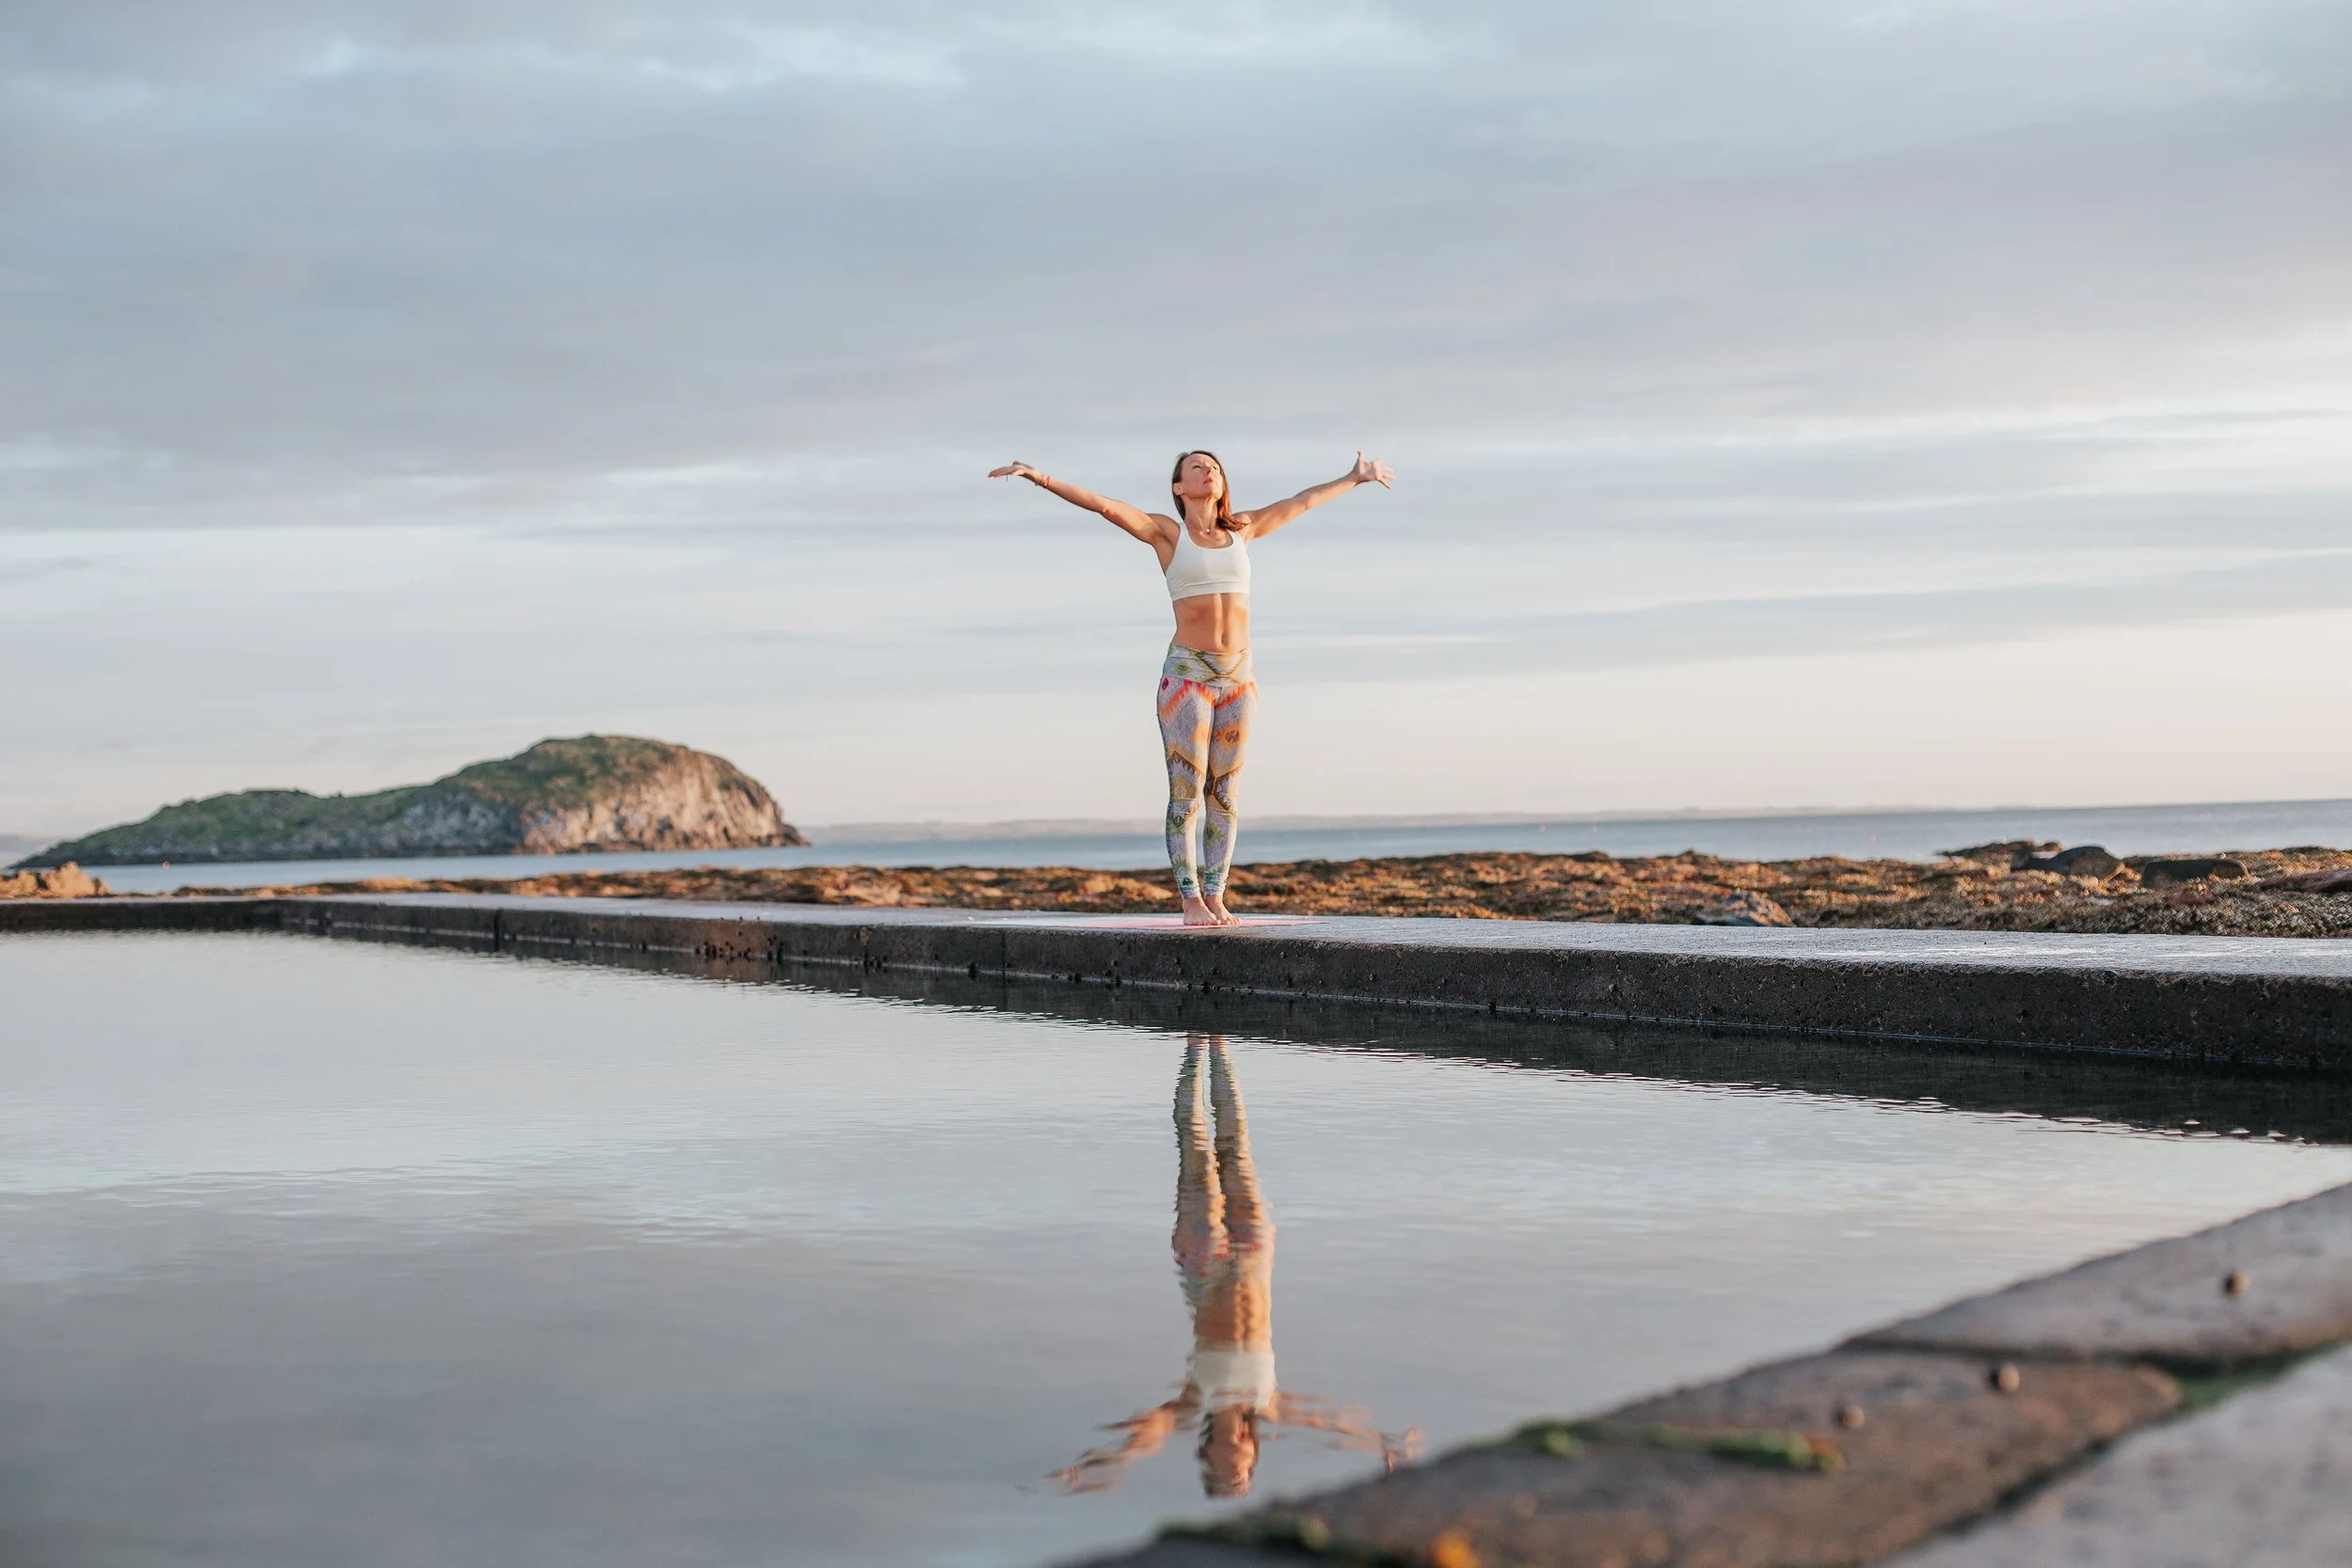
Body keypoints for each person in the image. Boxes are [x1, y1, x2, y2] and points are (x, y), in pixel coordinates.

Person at [989, 451, 1393, 926]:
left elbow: (1301, 502)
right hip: (1188, 676)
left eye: (1216, 467)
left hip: (1239, 677)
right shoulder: (1168, 533)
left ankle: (1217, 894)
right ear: (1179, 487)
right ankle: (1190, 900)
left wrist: (1354, 478)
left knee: (1226, 793)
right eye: (1198, 467)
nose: (1210, 471)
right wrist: (1041, 477)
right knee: (1187, 794)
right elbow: (1103, 505)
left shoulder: (1243, 528)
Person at [1046, 1034, 1418, 1499]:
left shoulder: (1193, 1403)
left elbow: (1144, 1434)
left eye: (1227, 1450)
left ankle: (1194, 1051)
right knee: (1237, 1145)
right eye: (1243, 1450)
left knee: (1198, 1155)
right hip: (1255, 1258)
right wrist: (1379, 1444)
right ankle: (1219, 1046)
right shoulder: (1270, 1406)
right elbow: (1329, 1421)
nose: (1237, 1440)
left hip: (1204, 1272)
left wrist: (1093, 1465)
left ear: (1206, 1447)